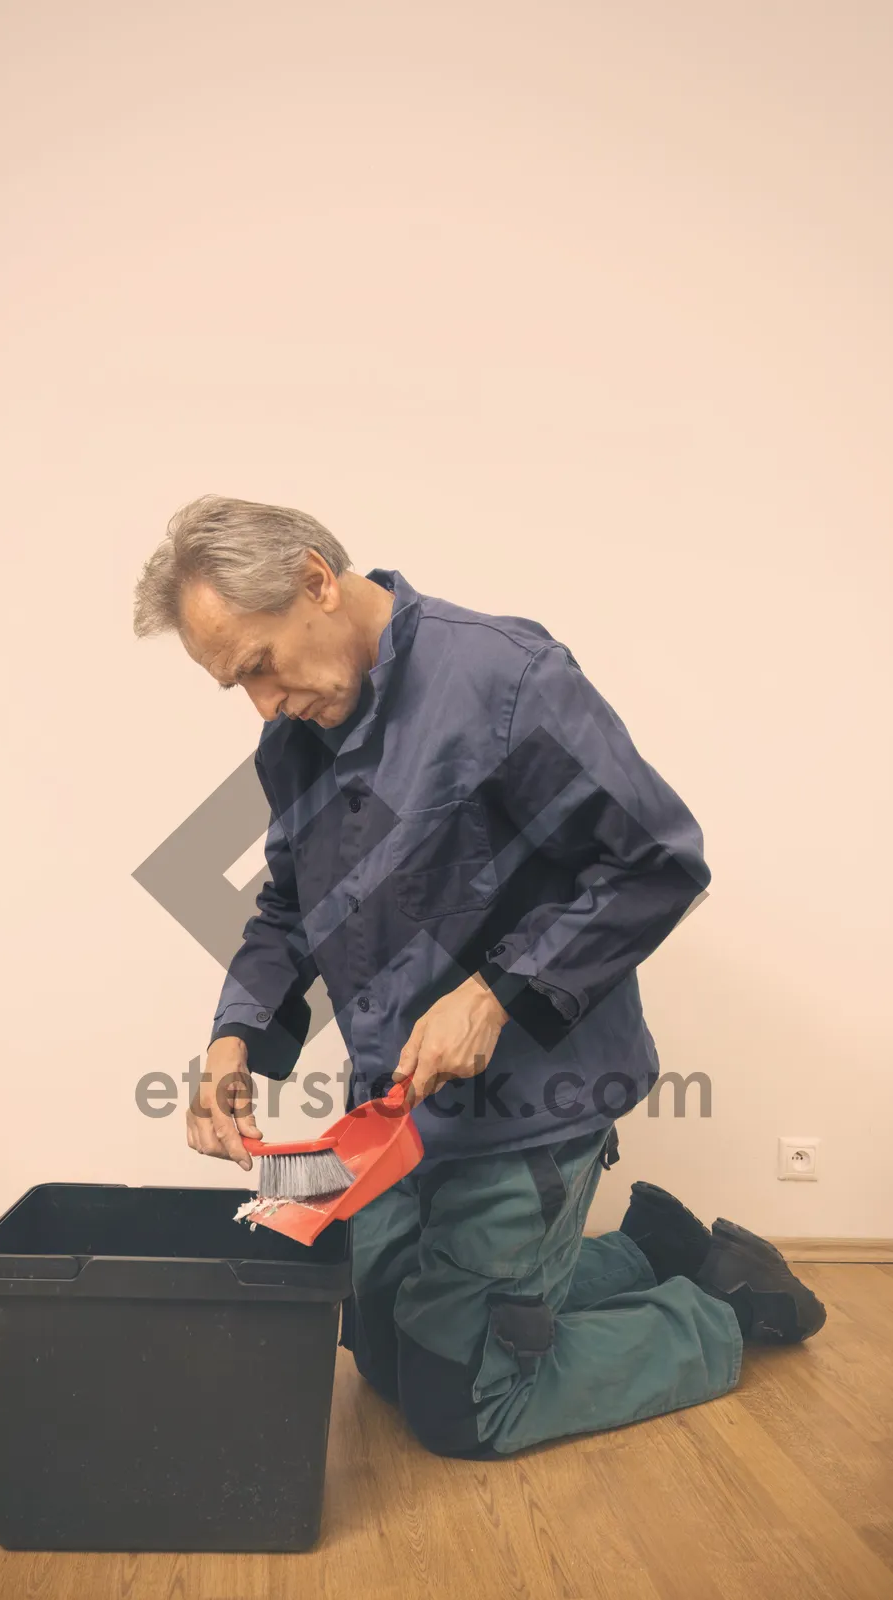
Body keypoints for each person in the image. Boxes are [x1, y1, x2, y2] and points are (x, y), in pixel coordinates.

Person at [133, 496, 826, 1460]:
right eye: (233, 686)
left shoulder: (507, 680)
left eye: (257, 665)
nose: (261, 703)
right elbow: (288, 908)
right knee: (379, 1354)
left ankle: (716, 1310)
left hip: (532, 1109)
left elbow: (659, 863)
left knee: (462, 1406)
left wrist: (497, 991)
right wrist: (233, 1037)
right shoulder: (293, 745)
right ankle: (650, 1248)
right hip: (399, 1117)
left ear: (315, 582)